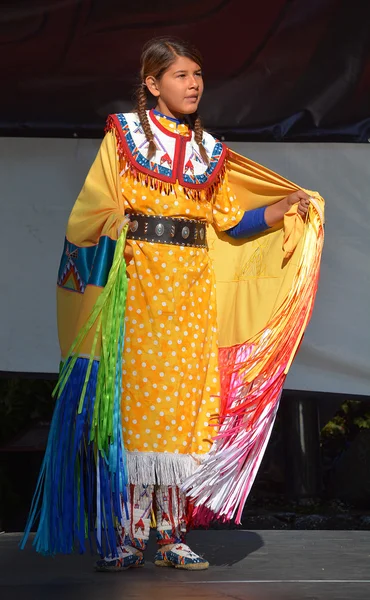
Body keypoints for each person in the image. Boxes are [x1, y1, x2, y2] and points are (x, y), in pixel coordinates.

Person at [21, 37, 324, 571]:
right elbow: (92, 211)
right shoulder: (125, 136)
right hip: (138, 289)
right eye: (181, 75)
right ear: (152, 84)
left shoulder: (211, 151)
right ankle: (124, 535)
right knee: (135, 413)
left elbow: (230, 220)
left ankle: (169, 534)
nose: (194, 84)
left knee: (182, 413)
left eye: (198, 74)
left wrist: (281, 209)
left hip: (190, 294)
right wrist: (118, 232)